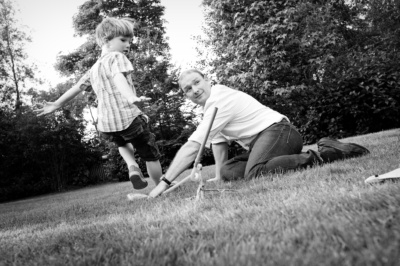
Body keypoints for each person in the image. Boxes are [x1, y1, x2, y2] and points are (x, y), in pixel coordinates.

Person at [148, 69, 370, 197]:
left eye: (197, 82)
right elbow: (218, 142)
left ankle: (325, 153)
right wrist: (218, 175)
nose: (195, 90)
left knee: (255, 173)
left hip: (280, 132)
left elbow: (193, 146)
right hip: (265, 142)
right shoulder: (211, 110)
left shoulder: (219, 99)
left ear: (207, 80)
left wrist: (163, 183)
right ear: (186, 96)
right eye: (188, 89)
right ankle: (288, 159)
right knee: (228, 171)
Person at [34, 17, 162, 190]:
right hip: (128, 117)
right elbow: (118, 77)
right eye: (123, 40)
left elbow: (77, 87)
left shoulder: (94, 68)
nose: (128, 45)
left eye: (129, 41)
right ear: (106, 41)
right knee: (150, 155)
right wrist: (131, 97)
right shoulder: (117, 57)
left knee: (122, 143)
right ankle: (160, 186)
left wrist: (57, 104)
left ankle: (132, 166)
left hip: (106, 124)